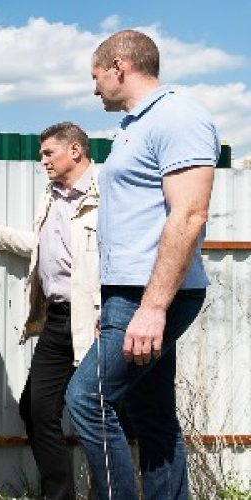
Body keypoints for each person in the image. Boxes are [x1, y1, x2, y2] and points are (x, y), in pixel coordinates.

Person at [65, 30, 218, 500]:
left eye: (96, 77)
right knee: (152, 413)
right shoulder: (136, 126)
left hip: (151, 294)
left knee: (87, 400)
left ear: (119, 66)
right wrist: (110, 303)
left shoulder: (178, 117)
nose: (95, 89)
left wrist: (151, 308)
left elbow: (189, 213)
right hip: (127, 294)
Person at [0, 122, 100, 499]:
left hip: (95, 321)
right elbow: (41, 247)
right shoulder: (52, 196)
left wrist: (112, 310)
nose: (43, 161)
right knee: (36, 410)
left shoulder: (105, 195)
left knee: (100, 411)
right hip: (57, 320)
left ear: (75, 150)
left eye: (48, 153)